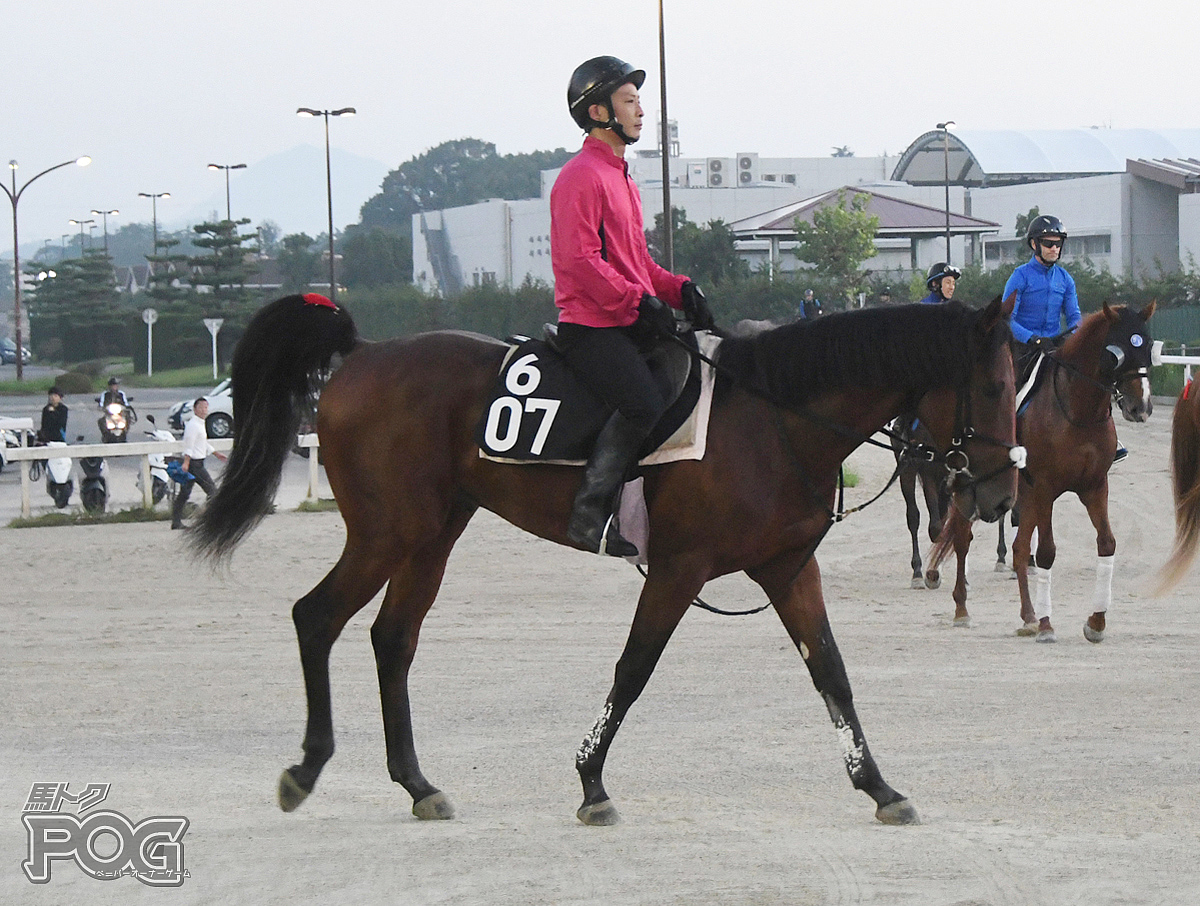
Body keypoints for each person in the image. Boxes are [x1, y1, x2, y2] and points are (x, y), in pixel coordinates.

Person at [551, 55, 714, 558]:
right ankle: (589, 513)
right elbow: (580, 262)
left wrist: (678, 289)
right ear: (599, 112)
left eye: (639, 101)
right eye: (629, 101)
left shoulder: (620, 177)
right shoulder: (580, 177)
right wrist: (637, 301)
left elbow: (637, 262)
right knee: (642, 401)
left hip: (624, 318)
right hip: (591, 326)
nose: (640, 111)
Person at [171, 397, 227, 530]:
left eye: (206, 407)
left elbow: (202, 443)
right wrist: (186, 462)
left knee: (184, 493)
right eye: (201, 408)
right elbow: (189, 445)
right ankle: (209, 519)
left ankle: (176, 521)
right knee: (212, 491)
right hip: (194, 464)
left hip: (197, 463)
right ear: (195, 409)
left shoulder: (200, 423)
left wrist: (216, 453)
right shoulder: (193, 425)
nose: (204, 410)